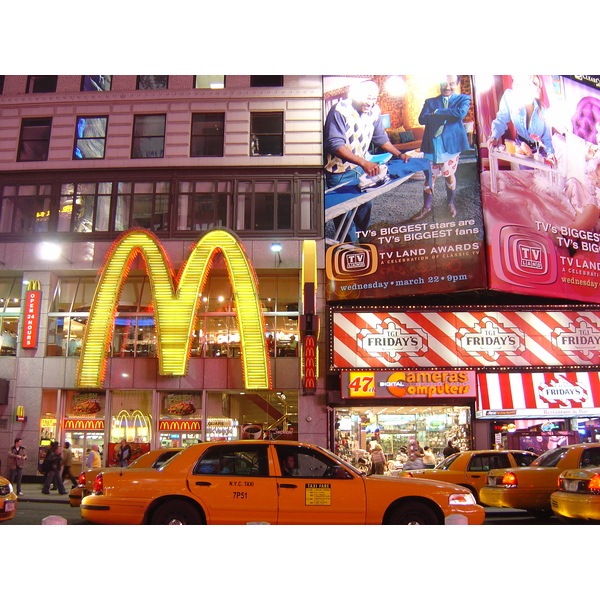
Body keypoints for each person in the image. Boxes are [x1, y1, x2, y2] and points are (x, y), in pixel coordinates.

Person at [324, 79, 410, 240]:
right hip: (339, 171)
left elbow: (380, 138)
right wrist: (364, 162)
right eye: (366, 98)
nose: (369, 103)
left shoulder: (375, 111)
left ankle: (363, 241)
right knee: (344, 216)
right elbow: (334, 144)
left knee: (365, 205)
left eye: (373, 98)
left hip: (360, 169)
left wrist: (400, 154)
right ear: (354, 95)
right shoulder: (340, 110)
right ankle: (349, 251)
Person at [411, 75, 472, 221]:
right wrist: (447, 115)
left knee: (449, 175)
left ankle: (450, 202)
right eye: (444, 83)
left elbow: (459, 114)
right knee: (430, 177)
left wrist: (436, 113)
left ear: (457, 84)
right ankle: (426, 207)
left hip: (450, 147)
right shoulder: (430, 101)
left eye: (451, 84)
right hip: (432, 146)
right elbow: (422, 119)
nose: (447, 87)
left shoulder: (463, 99)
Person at [487, 75, 555, 160]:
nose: (538, 88)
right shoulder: (510, 98)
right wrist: (494, 137)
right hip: (521, 150)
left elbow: (546, 138)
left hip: (540, 153)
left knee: (541, 173)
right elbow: (501, 120)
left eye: (537, 84)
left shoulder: (543, 111)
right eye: (532, 83)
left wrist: (550, 154)